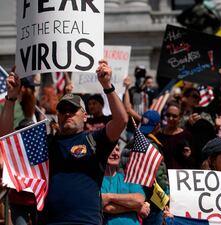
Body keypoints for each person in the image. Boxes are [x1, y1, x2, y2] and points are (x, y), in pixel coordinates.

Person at [0, 60, 129, 224]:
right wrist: (11, 97)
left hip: (85, 221)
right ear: (57, 115)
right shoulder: (45, 142)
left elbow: (121, 121)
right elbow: (6, 140)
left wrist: (107, 85)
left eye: (73, 110)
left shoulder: (94, 139)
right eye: (62, 110)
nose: (67, 113)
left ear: (84, 116)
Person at [101, 144, 150, 225]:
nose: (114, 153)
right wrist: (135, 208)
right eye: (110, 150)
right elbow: (107, 208)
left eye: (117, 150)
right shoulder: (96, 181)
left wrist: (109, 197)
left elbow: (139, 200)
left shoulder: (129, 178)